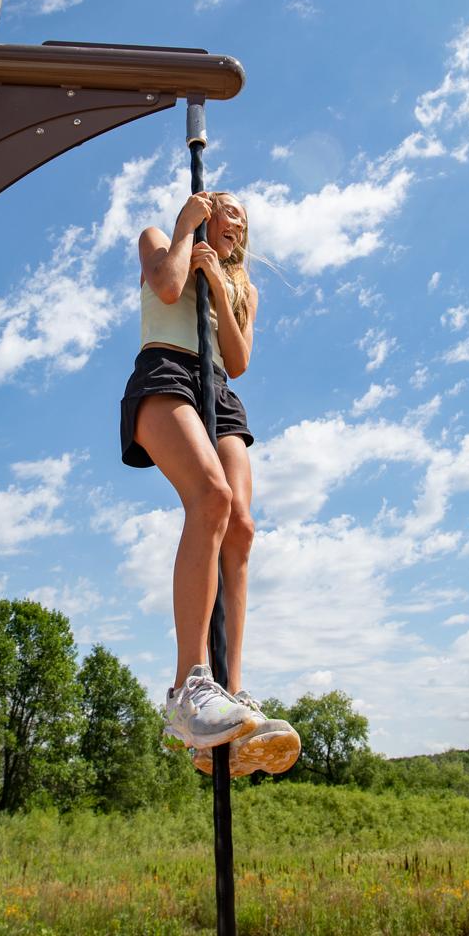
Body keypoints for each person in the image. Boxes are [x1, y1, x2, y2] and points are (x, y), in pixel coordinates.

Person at [119, 190, 300, 776]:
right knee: (210, 497)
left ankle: (232, 693)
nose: (236, 220)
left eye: (242, 219)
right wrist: (182, 231)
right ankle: (188, 688)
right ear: (204, 209)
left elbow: (239, 358)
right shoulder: (157, 237)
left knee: (241, 527)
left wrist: (220, 285)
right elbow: (169, 289)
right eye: (226, 209)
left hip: (219, 388)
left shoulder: (245, 285)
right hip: (166, 369)